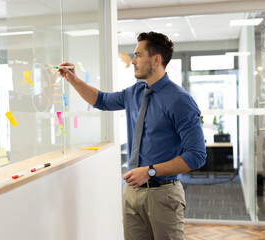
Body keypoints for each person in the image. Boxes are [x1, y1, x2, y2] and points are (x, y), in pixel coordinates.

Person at [58, 31, 206, 240]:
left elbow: (197, 155)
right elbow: (102, 100)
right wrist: (74, 80)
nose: (133, 61)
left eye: (138, 55)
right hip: (132, 192)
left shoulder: (179, 100)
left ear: (156, 60)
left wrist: (150, 172)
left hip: (163, 195)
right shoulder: (135, 92)